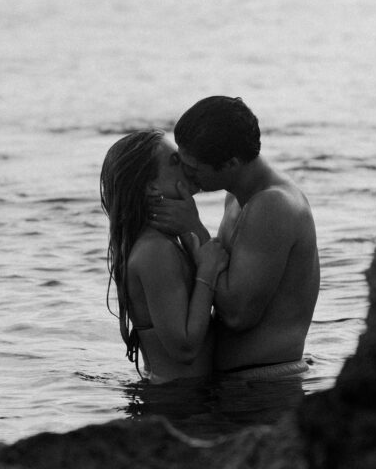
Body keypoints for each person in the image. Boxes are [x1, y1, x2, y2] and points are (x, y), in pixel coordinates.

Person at [149, 96, 320, 379]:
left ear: (231, 163)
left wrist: (194, 228)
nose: (186, 175)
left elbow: (238, 315)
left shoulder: (273, 205)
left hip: (264, 384)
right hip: (239, 384)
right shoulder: (237, 197)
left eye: (193, 168)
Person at [100, 128, 228, 384]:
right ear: (151, 186)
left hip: (180, 397)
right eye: (175, 161)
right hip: (179, 403)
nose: (189, 166)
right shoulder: (155, 250)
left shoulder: (164, 240)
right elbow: (184, 349)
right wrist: (207, 273)